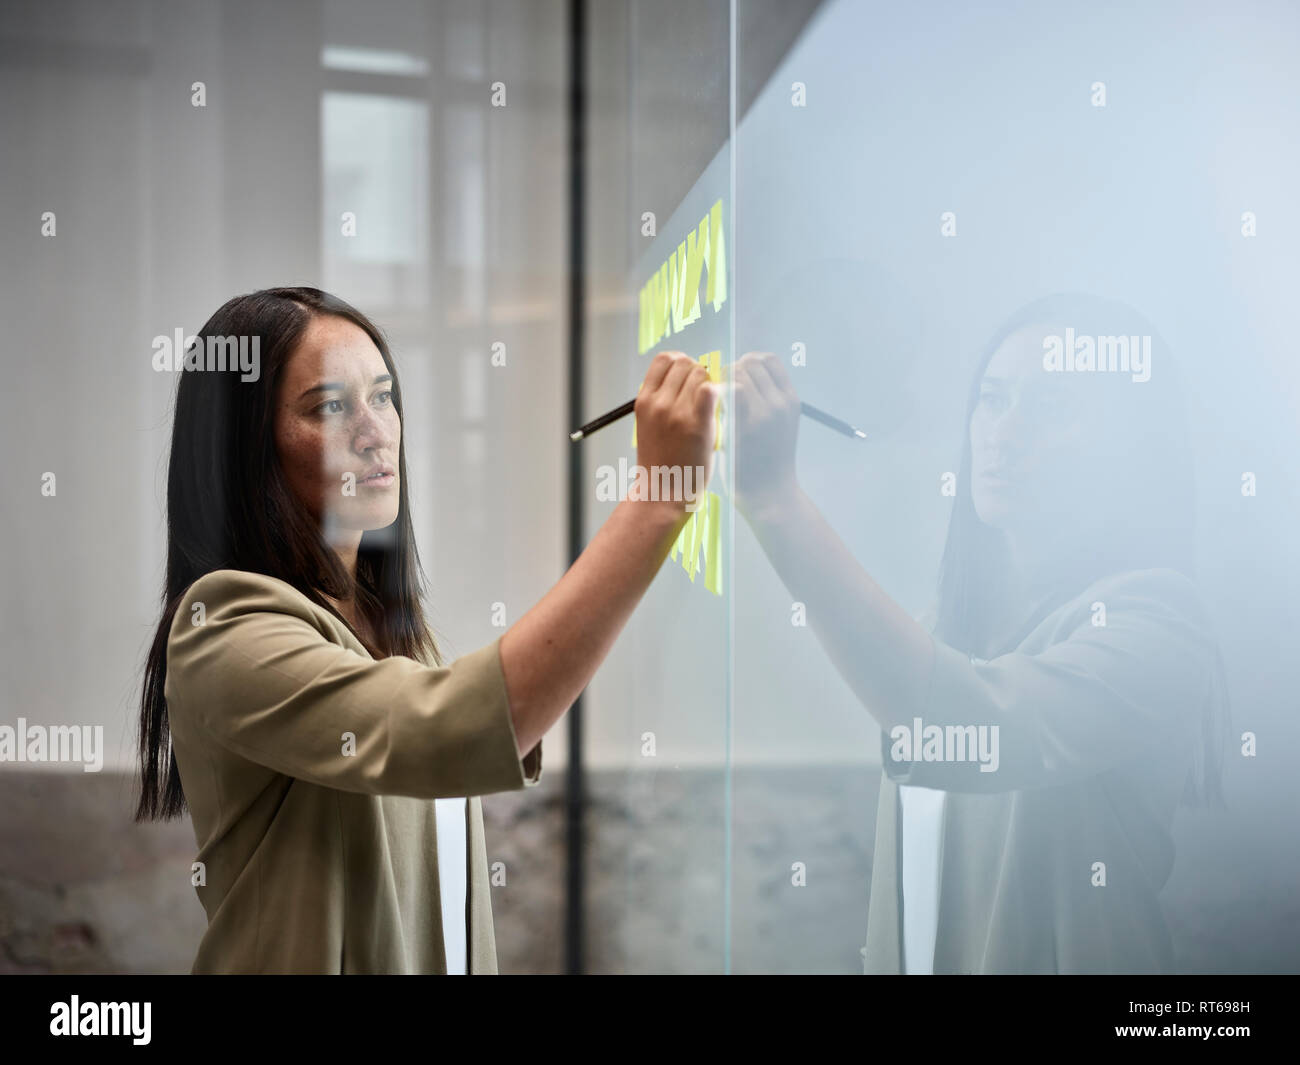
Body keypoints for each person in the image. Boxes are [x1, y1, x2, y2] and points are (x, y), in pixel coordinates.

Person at [134, 286, 718, 974]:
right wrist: (658, 499)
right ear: (245, 450)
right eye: (329, 406)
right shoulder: (222, 629)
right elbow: (452, 726)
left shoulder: (392, 631)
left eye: (383, 396)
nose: (376, 430)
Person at [730, 292, 1232, 974]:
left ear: (1131, 447)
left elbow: (969, 722)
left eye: (1051, 407)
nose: (1005, 432)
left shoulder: (1160, 623)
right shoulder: (948, 629)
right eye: (991, 399)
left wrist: (776, 501)